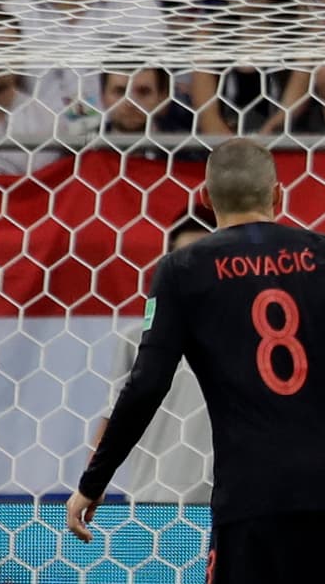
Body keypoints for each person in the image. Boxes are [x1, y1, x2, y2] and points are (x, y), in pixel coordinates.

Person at [66, 138, 325, 580]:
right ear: (278, 193)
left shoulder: (182, 270)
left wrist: (94, 481)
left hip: (250, 491)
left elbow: (147, 382)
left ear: (207, 199)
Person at [95, 206, 215, 505]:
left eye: (204, 256)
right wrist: (91, 487)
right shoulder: (136, 338)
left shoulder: (247, 337)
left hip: (225, 508)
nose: (193, 267)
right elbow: (113, 418)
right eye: (183, 257)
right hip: (150, 503)